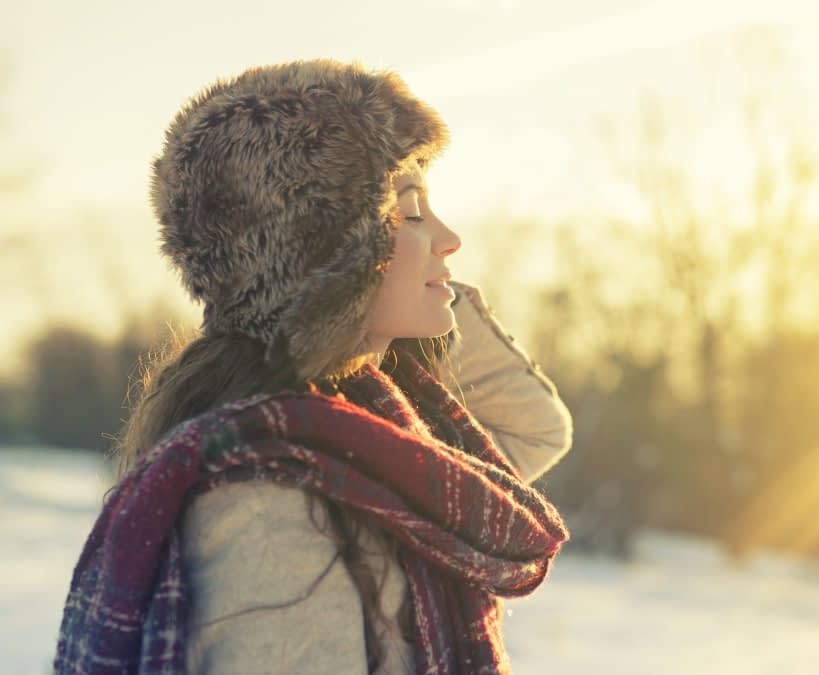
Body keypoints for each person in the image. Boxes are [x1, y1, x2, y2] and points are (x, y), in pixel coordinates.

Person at [54, 59, 572, 675]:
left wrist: (413, 302)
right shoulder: (270, 504)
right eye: (408, 212)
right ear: (332, 250)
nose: (448, 236)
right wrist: (365, 297)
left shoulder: (377, 438)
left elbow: (535, 429)